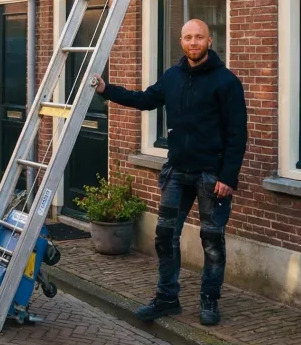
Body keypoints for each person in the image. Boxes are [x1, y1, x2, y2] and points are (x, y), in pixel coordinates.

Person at [94, 18, 247, 326]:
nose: (193, 42)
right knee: (165, 236)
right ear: (181, 42)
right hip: (176, 171)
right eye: (188, 37)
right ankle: (167, 298)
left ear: (209, 41)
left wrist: (228, 177)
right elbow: (145, 99)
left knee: (212, 241)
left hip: (210, 176)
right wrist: (107, 90)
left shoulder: (226, 82)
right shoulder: (172, 77)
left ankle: (209, 300)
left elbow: (237, 134)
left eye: (199, 37)